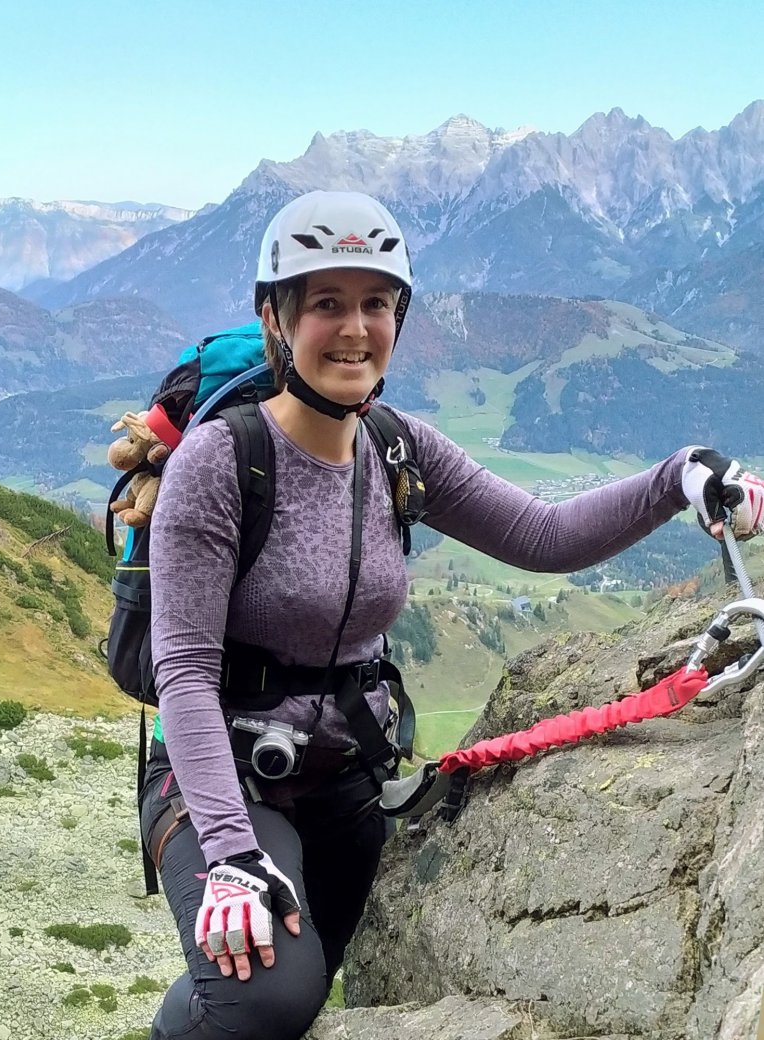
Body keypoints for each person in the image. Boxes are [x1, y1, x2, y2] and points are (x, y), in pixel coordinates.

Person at [139, 189, 764, 1040]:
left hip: (346, 773)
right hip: (223, 778)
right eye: (326, 302)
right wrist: (232, 858)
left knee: (313, 980)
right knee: (263, 999)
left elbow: (542, 535)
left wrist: (679, 475)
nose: (354, 328)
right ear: (276, 317)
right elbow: (182, 670)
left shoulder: (399, 448)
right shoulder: (223, 462)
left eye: (375, 303)